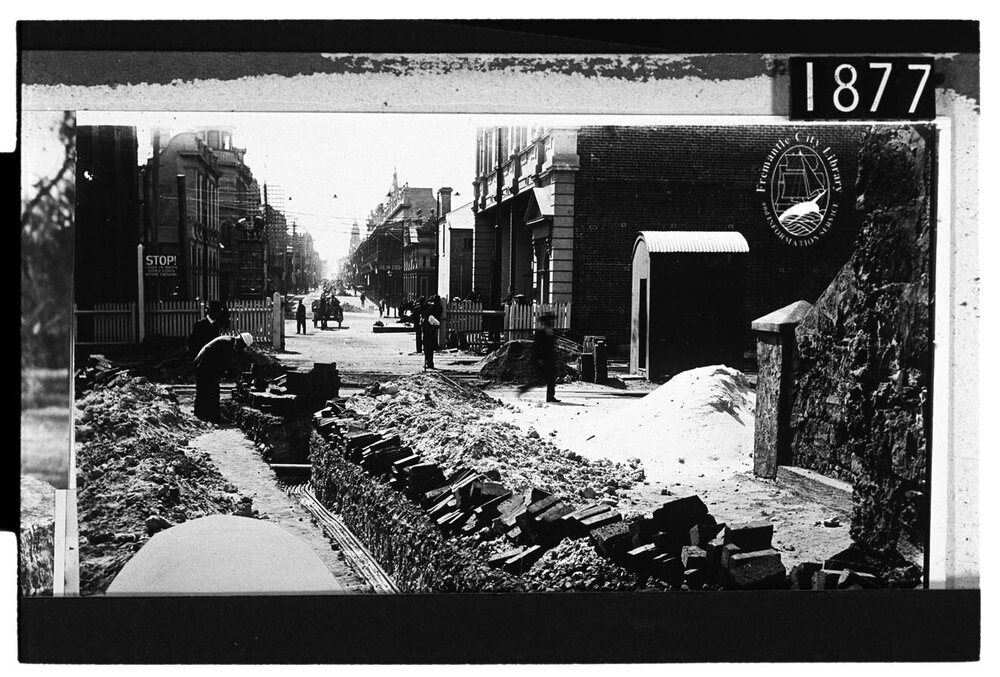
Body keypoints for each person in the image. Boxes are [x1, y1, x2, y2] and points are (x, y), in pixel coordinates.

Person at [194, 332, 254, 423]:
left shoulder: (230, 342)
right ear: (240, 341)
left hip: (205, 364)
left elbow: (225, 363)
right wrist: (235, 377)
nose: (241, 349)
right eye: (242, 346)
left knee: (206, 390)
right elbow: (227, 364)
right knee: (211, 390)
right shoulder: (226, 343)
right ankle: (212, 418)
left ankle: (202, 415)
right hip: (203, 364)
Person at [518, 313, 559, 403]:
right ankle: (524, 388)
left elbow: (551, 347)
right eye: (550, 321)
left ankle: (550, 397)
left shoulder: (551, 332)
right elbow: (536, 347)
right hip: (542, 359)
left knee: (551, 378)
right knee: (542, 380)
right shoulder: (540, 333)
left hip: (549, 358)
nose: (552, 323)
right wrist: (539, 358)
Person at [422, 295, 443, 370]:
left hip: (429, 328)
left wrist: (427, 301)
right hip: (431, 328)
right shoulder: (438, 307)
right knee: (429, 347)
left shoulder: (432, 308)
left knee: (428, 347)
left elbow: (424, 308)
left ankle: (429, 362)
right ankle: (429, 362)